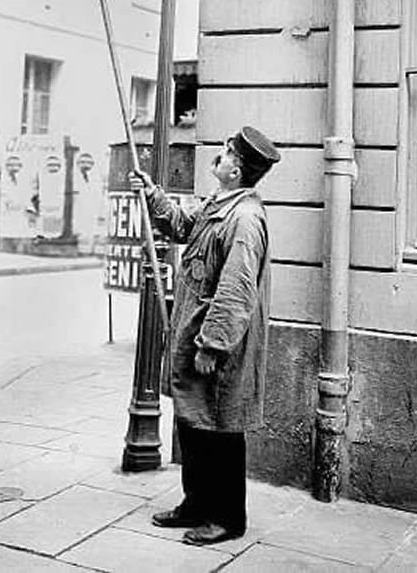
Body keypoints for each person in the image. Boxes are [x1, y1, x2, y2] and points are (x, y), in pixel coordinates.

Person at [128, 125, 280, 547]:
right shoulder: (219, 203)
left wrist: (212, 345)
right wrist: (152, 194)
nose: (220, 154)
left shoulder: (245, 219)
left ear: (237, 171)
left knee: (220, 430)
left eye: (228, 152)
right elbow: (181, 226)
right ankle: (196, 505)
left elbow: (236, 290)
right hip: (195, 337)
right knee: (194, 424)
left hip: (216, 348)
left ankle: (227, 518)